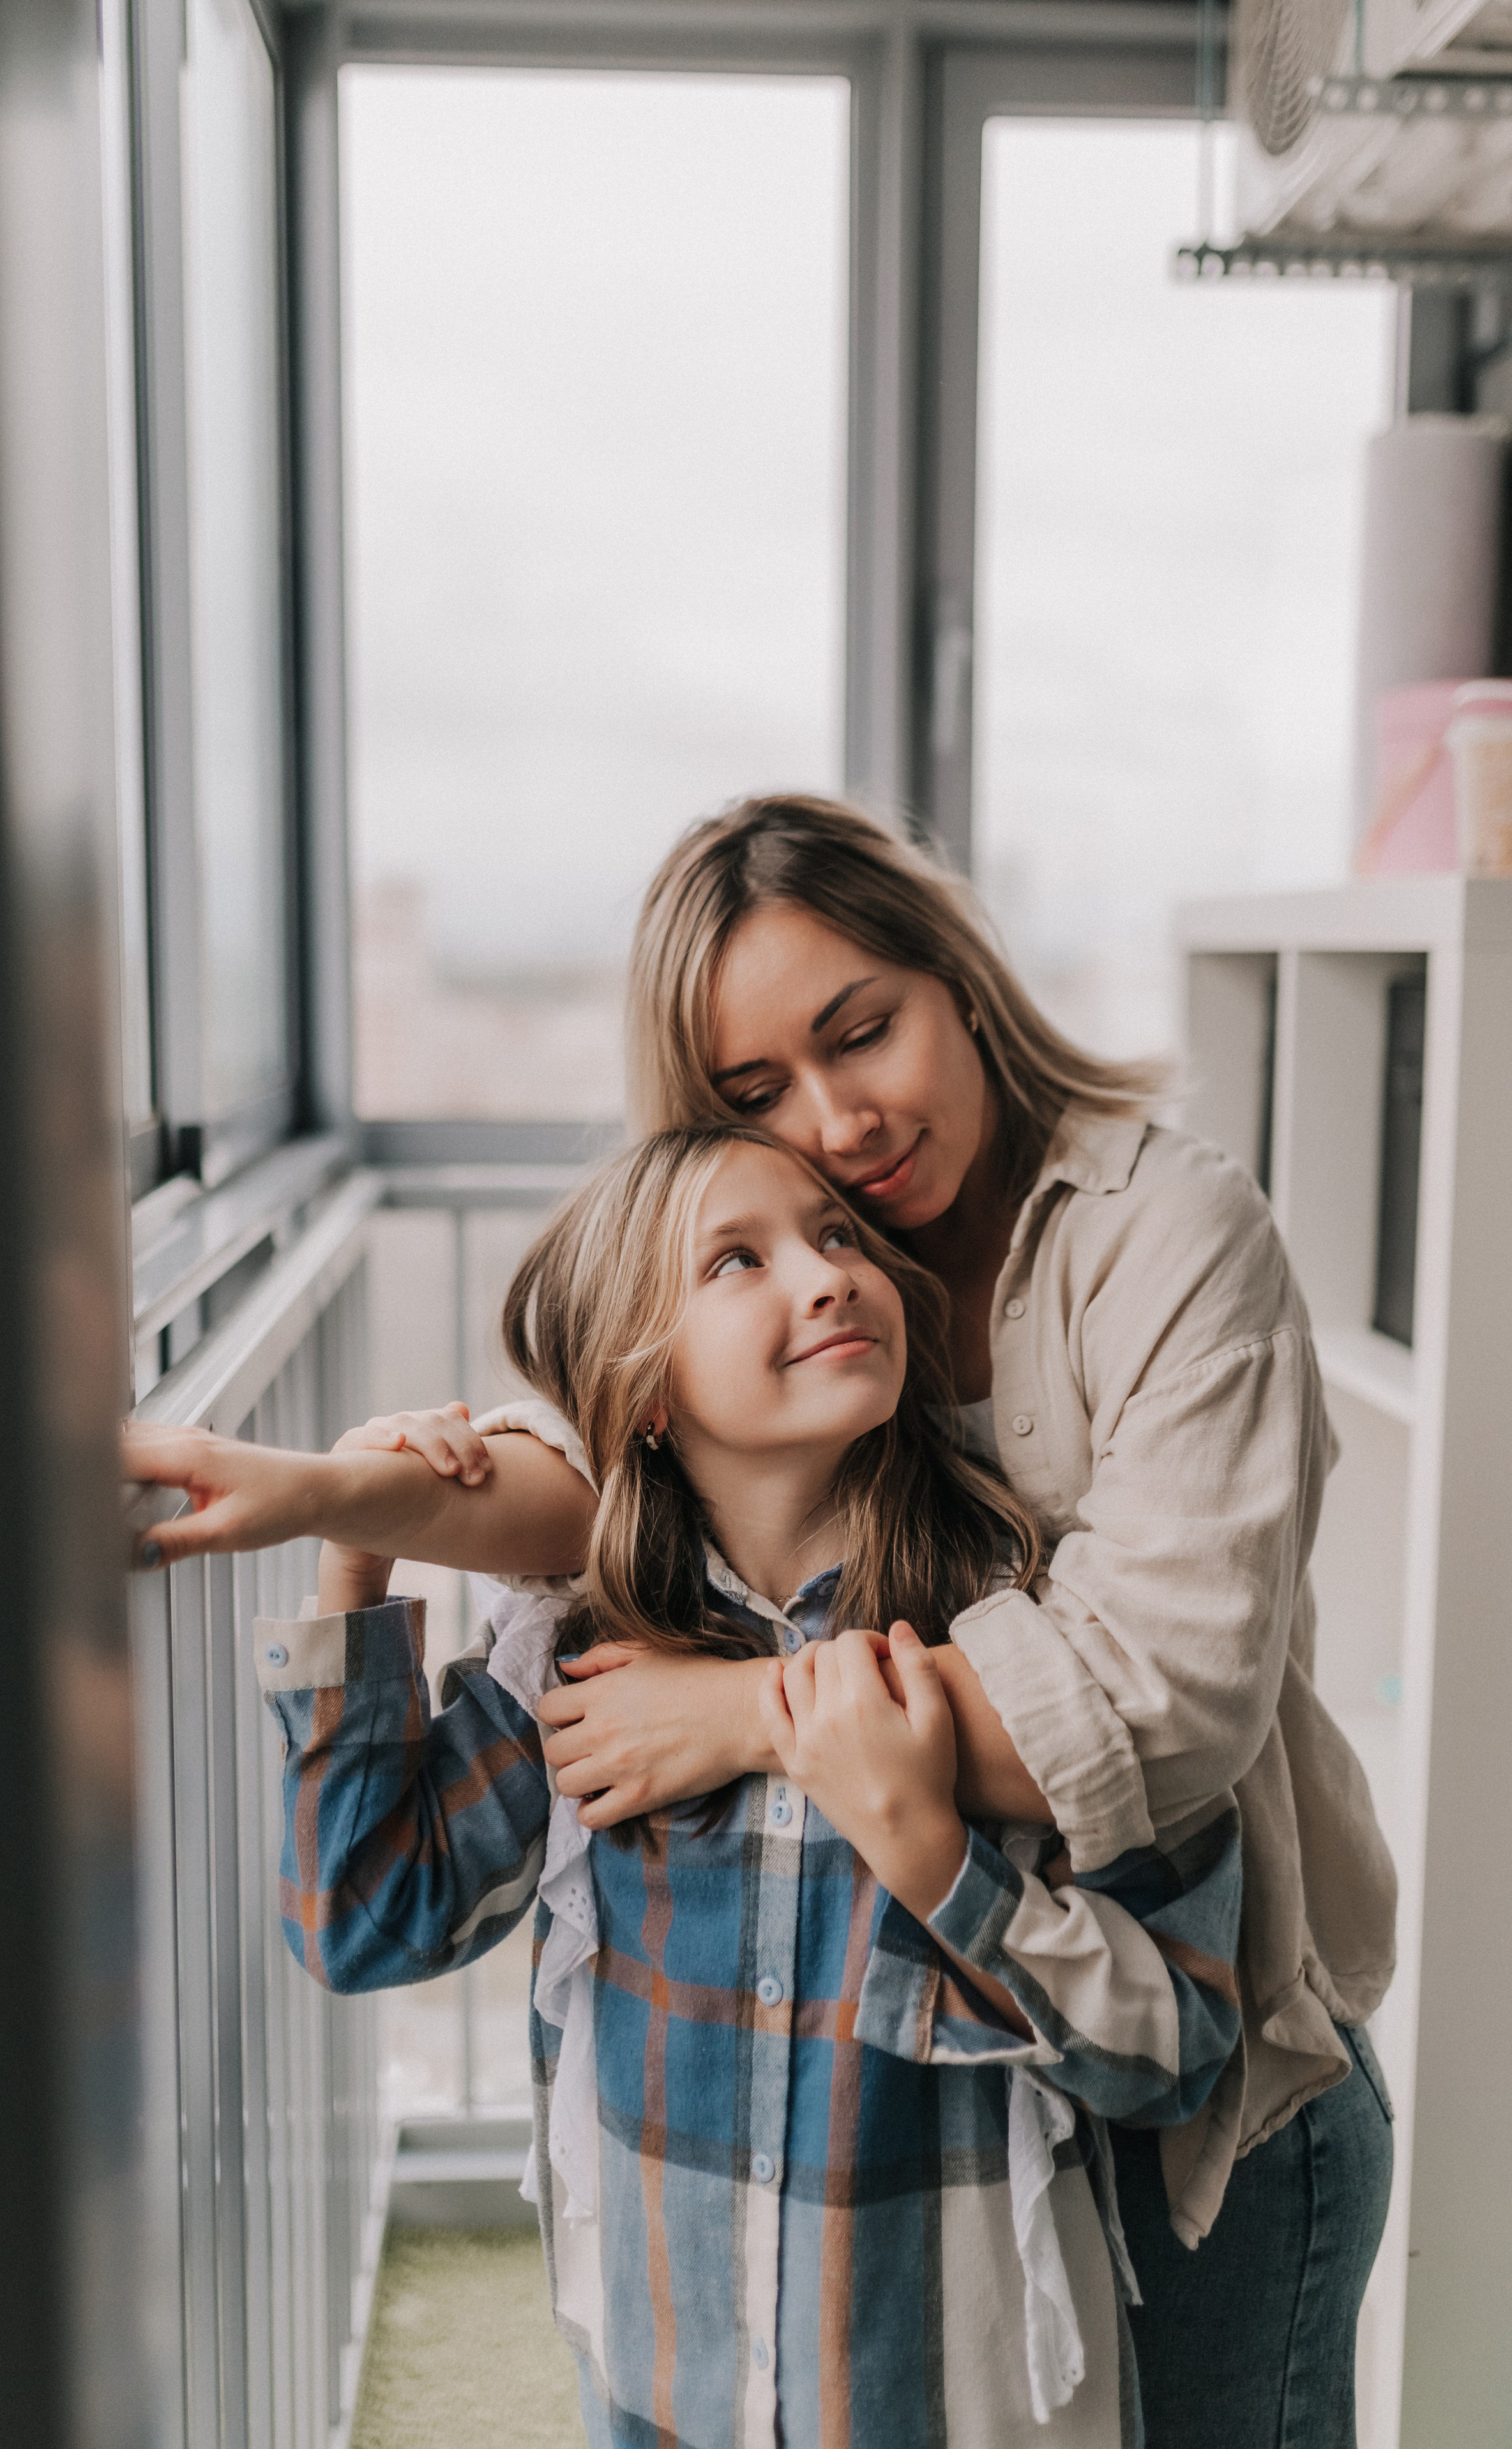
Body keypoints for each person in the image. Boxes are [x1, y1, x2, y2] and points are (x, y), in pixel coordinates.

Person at [325, 796, 1396, 2449]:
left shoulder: (1155, 1263)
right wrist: (344, 1532)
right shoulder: (650, 1572)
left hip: (1212, 2118)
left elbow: (1159, 1714)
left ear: (958, 977)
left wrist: (763, 1727)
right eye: (759, 1099)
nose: (839, 1130)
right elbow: (377, 1900)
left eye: (863, 1030)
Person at [126, 1125, 1246, 2449]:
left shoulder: (1026, 1635)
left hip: (957, 2408)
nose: (825, 1275)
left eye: (836, 1234)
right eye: (738, 1258)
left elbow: (1173, 2050)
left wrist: (931, 1852)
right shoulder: (581, 1660)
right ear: (644, 1391)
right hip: (665, 2400)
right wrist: (352, 1559)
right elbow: (366, 1922)